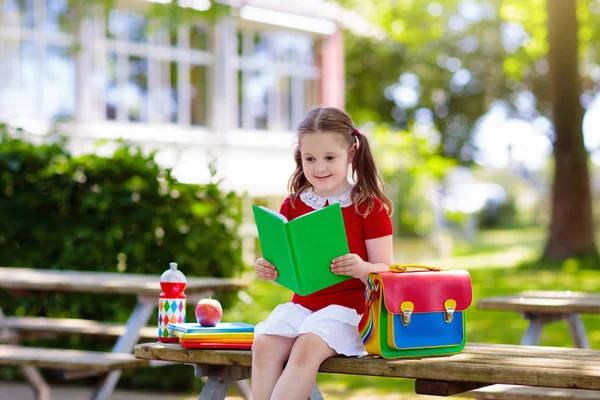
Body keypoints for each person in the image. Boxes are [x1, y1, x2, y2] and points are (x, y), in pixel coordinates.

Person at [252, 107, 394, 400]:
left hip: (350, 311)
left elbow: (387, 272)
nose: (319, 167)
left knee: (307, 346)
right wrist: (268, 267)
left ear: (351, 154)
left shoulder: (368, 206)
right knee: (264, 344)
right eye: (310, 159)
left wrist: (361, 267)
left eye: (330, 157)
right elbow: (287, 258)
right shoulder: (293, 205)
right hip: (302, 307)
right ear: (299, 157)